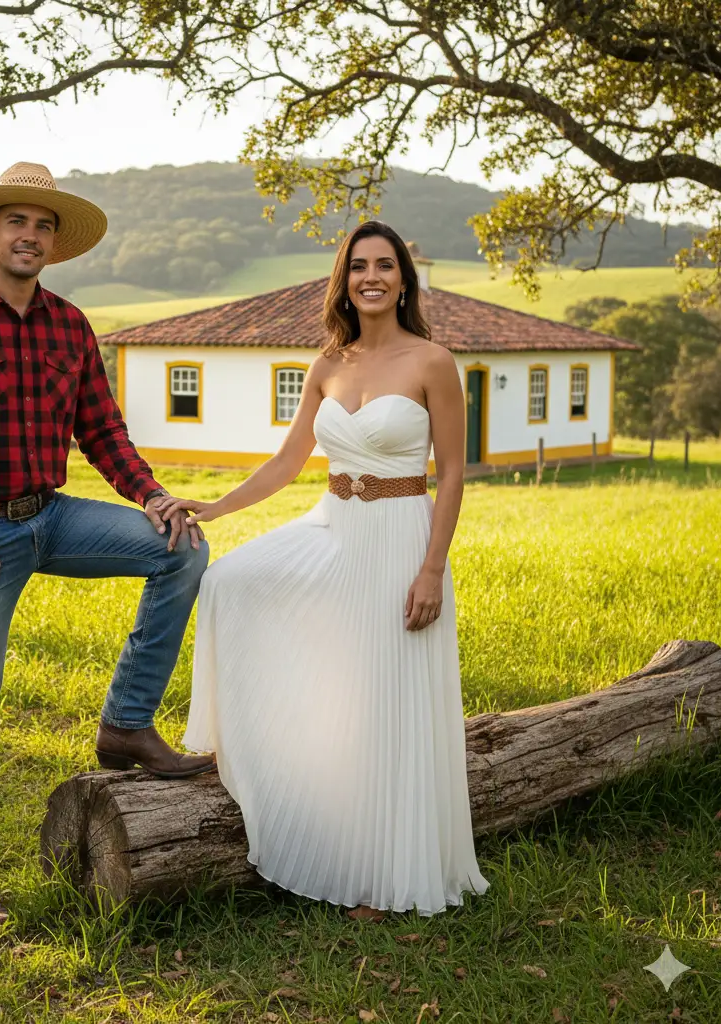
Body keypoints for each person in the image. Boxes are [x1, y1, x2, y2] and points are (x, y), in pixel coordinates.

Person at [0, 161, 214, 924]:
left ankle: (125, 723)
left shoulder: (68, 324)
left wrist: (152, 495)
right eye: (17, 221)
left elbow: (103, 430)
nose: (31, 235)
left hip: (52, 515)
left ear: (55, 244)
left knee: (182, 548)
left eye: (44, 224)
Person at [153, 221, 490, 917]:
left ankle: (389, 874)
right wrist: (215, 506)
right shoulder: (328, 362)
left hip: (401, 539)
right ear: (345, 278)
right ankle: (259, 757)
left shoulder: (433, 360)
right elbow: (285, 463)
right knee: (231, 584)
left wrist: (432, 569)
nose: (372, 276)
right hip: (332, 527)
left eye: (385, 266)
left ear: (404, 279)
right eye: (359, 265)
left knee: (388, 700)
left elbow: (453, 475)